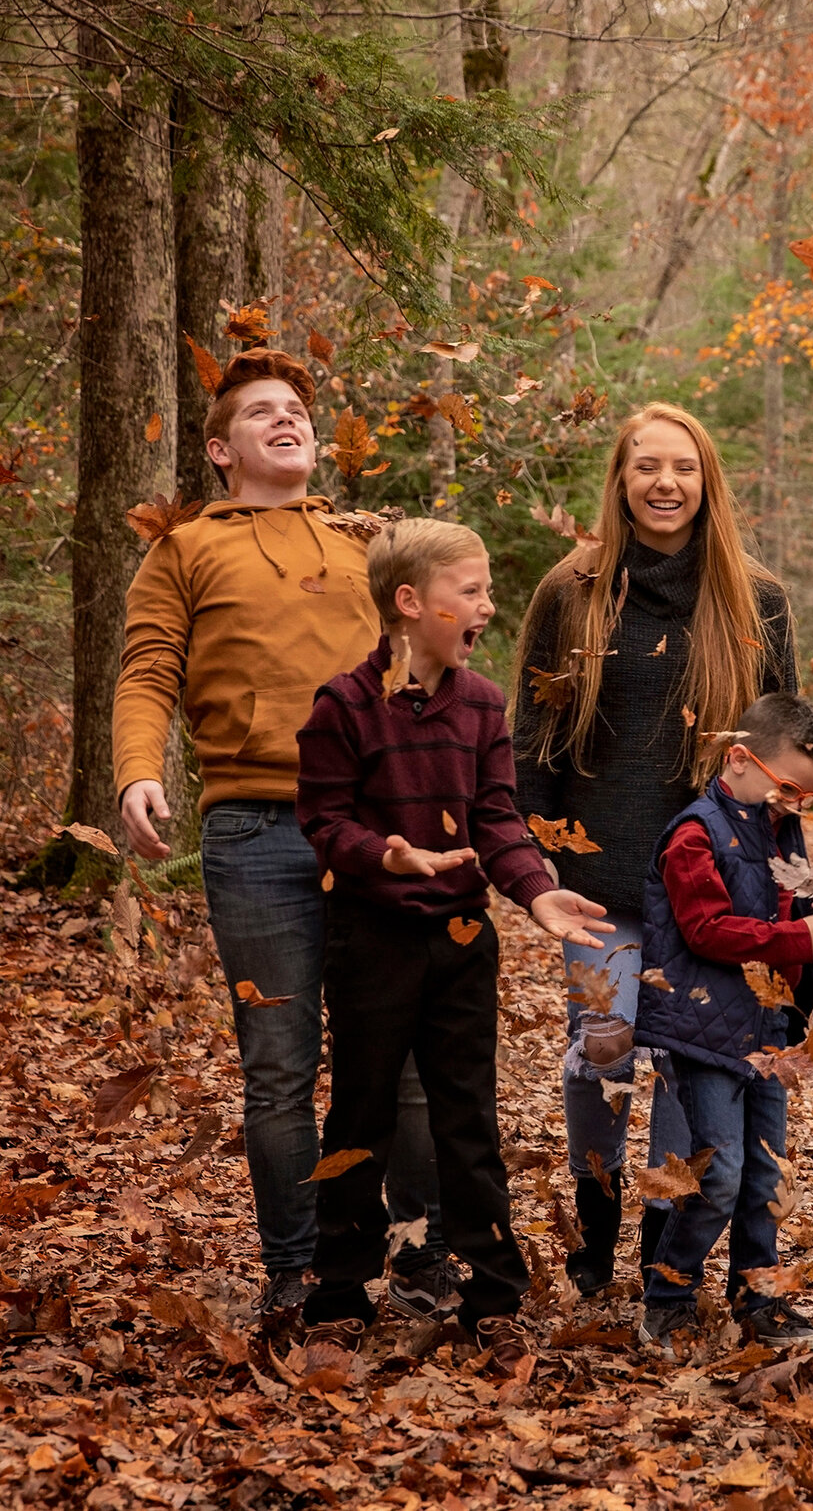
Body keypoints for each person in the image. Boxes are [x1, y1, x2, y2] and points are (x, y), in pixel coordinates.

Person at [113, 348, 456, 1324]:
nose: (287, 418)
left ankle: (419, 1259)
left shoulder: (367, 543)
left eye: (297, 409)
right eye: (262, 411)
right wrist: (139, 769)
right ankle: (297, 1274)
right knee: (278, 1066)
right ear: (221, 448)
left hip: (378, 828)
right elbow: (145, 673)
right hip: (256, 832)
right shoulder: (184, 551)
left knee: (408, 1061)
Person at [291, 519, 615, 1344]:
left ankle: (495, 1293)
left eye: (487, 591)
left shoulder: (481, 704)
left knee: (466, 1116)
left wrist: (538, 894)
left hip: (463, 944)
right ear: (409, 602)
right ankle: (337, 1291)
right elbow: (323, 820)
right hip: (370, 941)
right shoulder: (344, 705)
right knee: (359, 1114)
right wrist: (384, 857)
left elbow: (497, 819)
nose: (487, 605)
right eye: (469, 591)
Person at [514, 404, 798, 1298]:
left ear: (707, 480)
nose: (665, 483)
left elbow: (782, 750)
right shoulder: (574, 589)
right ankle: (594, 1230)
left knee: (687, 1061)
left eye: (683, 467)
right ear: (621, 479)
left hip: (712, 889)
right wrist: (540, 852)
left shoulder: (757, 599)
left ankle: (662, 1241)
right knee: (601, 1047)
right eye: (647, 467)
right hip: (600, 879)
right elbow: (534, 736)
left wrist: (781, 879)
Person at [631, 693, 813, 1350]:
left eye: (807, 796)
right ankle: (666, 1298)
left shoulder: (774, 831)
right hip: (703, 1034)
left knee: (765, 1174)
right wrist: (798, 940)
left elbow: (780, 915)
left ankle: (760, 1301)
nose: (796, 804)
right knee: (720, 1175)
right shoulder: (693, 834)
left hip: (767, 1033)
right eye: (788, 787)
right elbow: (705, 930)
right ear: (739, 760)